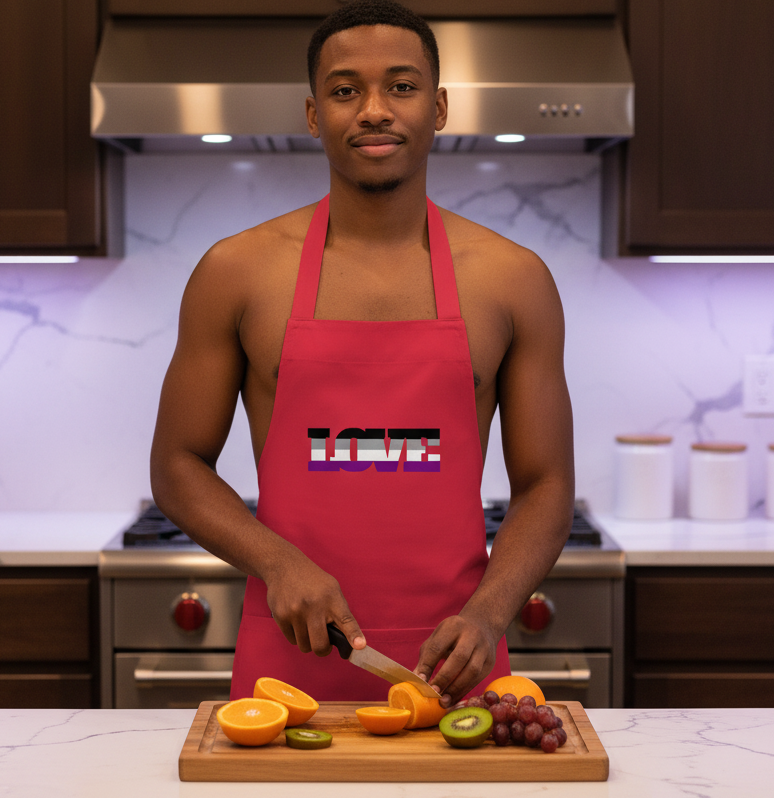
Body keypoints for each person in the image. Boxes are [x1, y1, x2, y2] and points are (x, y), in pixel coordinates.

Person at [150, 0, 574, 708]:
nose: (374, 109)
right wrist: (277, 562)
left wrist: (489, 612)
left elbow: (546, 485)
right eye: (346, 90)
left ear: (438, 108)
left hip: (456, 672)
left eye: (401, 87)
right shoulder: (236, 272)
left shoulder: (513, 279)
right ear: (315, 115)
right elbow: (176, 463)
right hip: (288, 672)